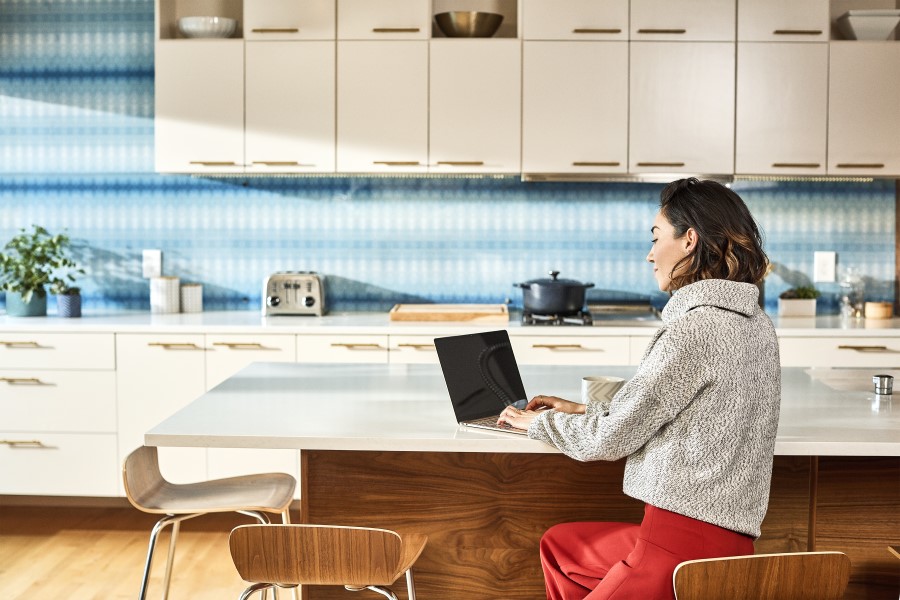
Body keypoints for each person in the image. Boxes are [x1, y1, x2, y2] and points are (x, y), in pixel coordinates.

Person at [499, 177, 781, 600]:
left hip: (677, 551)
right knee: (560, 546)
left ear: (689, 240)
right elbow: (681, 410)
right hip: (730, 544)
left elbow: (610, 439)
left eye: (656, 237)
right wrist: (579, 411)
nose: (650, 254)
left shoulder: (696, 328)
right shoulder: (756, 323)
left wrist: (538, 425)